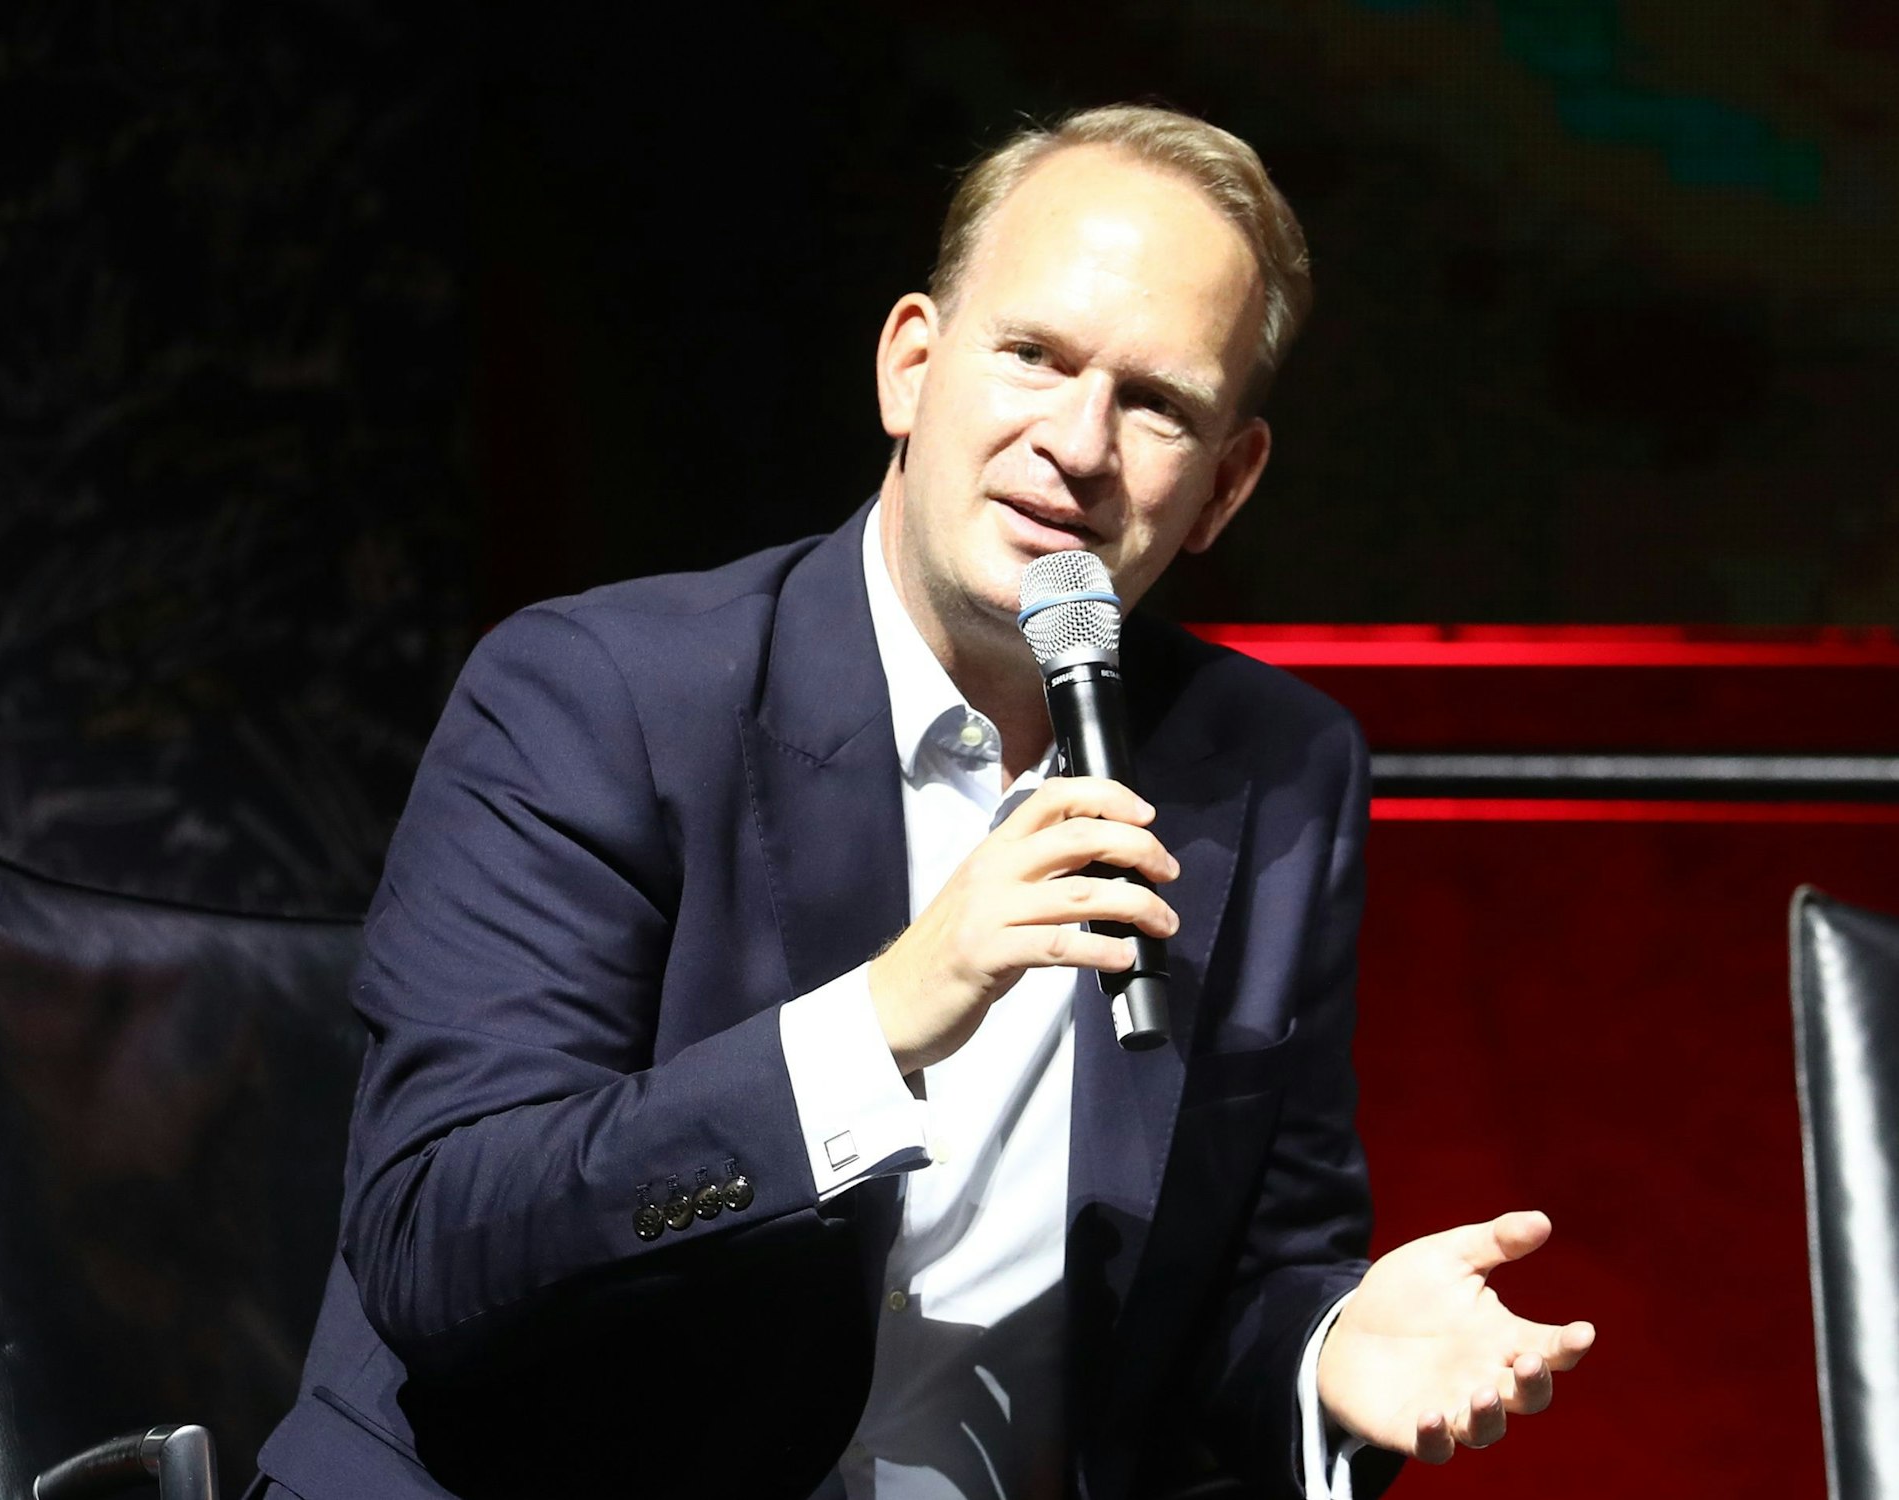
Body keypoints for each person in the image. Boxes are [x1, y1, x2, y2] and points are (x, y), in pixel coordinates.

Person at [255, 103, 1594, 1500]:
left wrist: (1325, 1354)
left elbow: (1245, 1284)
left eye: (1155, 404)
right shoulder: (601, 695)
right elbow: (439, 1240)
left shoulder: (1271, 772)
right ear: (912, 364)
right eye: (1034, 355)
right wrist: (880, 1021)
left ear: (1224, 487)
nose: (1077, 444)